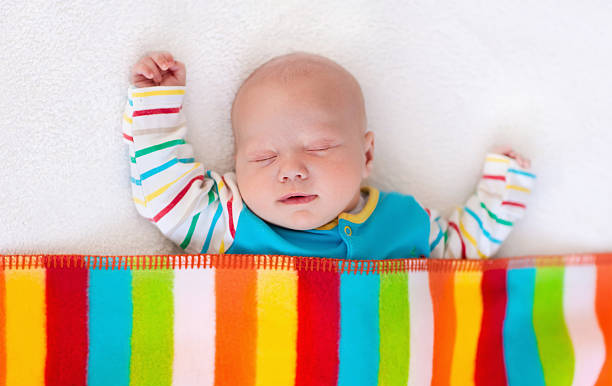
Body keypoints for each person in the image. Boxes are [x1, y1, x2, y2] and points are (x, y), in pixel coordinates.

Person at [122, 50, 535, 259]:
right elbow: (163, 192)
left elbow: (461, 248)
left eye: (319, 147)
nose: (291, 170)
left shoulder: (405, 222)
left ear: (367, 154)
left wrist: (503, 192)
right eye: (264, 157)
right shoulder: (229, 221)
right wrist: (157, 101)